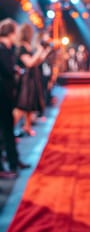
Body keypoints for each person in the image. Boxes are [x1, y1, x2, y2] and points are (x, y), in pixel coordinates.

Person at [0, 19, 30, 177]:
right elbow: (7, 69)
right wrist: (15, 69)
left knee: (8, 129)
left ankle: (13, 161)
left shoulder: (8, 49)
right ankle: (4, 166)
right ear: (10, 32)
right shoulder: (2, 49)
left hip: (7, 94)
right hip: (2, 95)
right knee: (4, 130)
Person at [13, 23, 51, 136]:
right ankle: (8, 130)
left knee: (29, 105)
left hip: (31, 78)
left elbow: (36, 62)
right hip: (25, 80)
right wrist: (39, 51)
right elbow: (29, 63)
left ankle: (27, 127)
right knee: (22, 106)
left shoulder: (27, 46)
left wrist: (44, 52)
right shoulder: (21, 47)